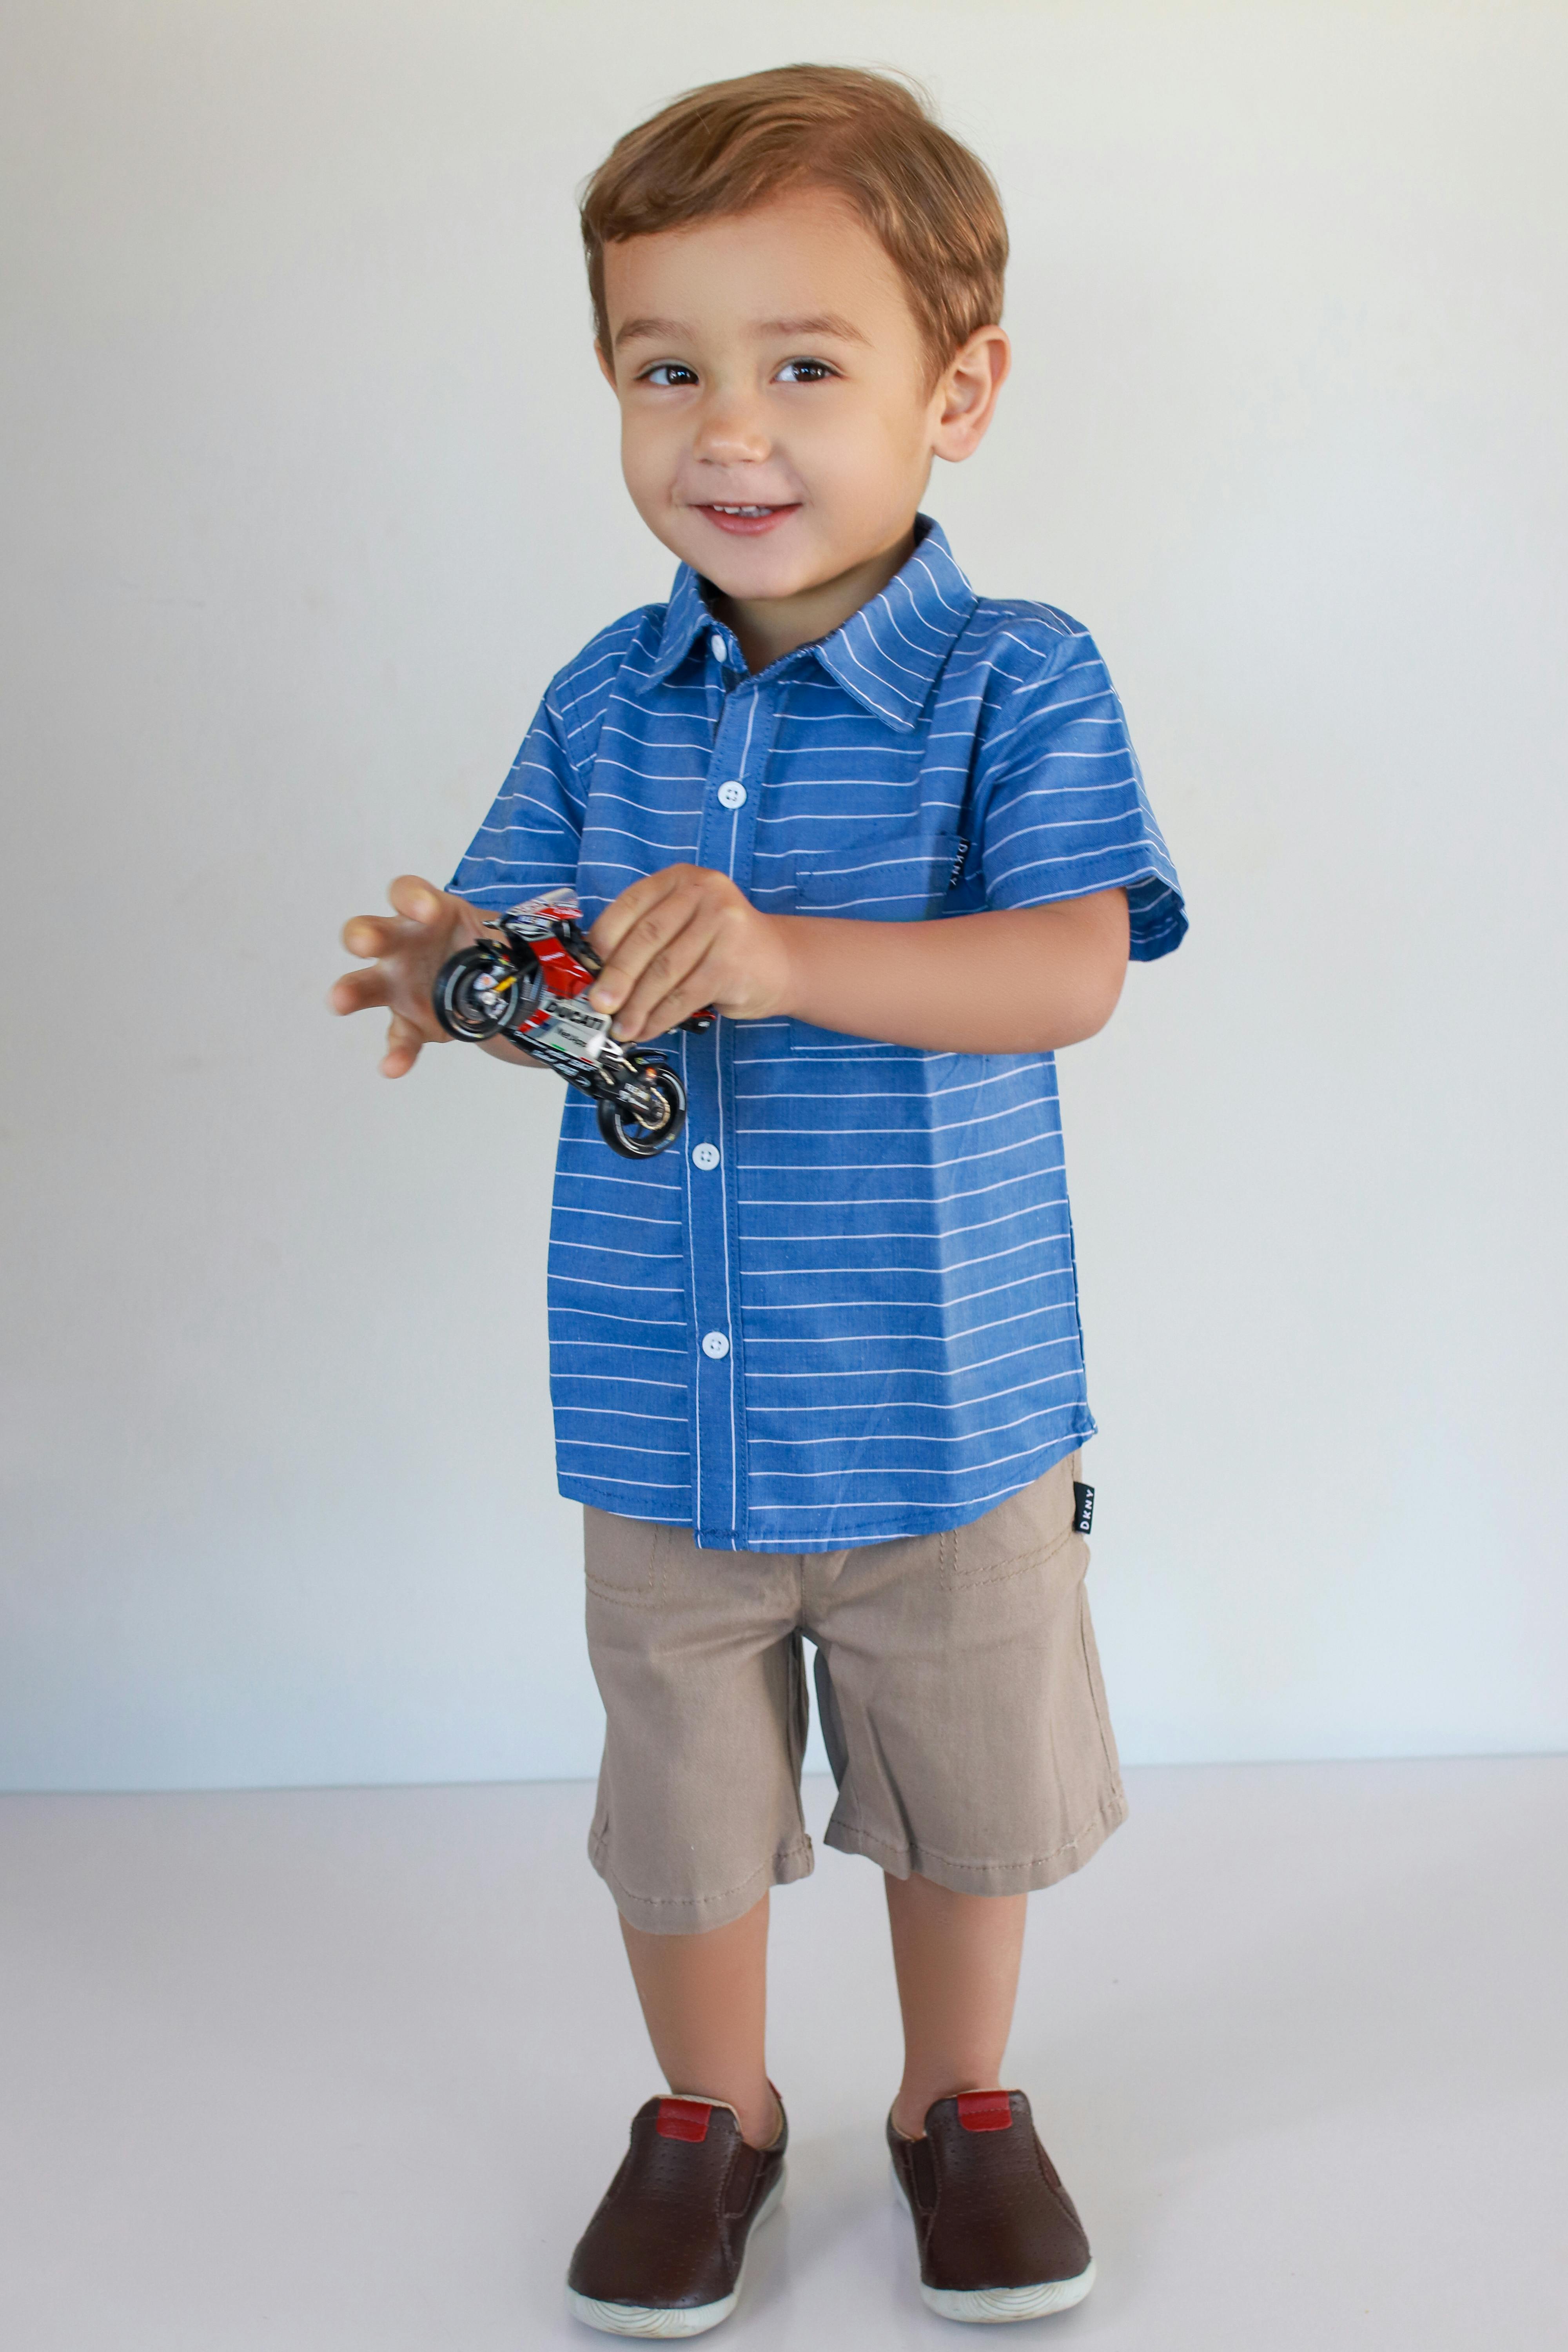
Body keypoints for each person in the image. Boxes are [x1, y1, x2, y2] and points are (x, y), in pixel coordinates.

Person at [330, 64, 1185, 2337]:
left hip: (947, 1402)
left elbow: (1076, 967)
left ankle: (956, 2107)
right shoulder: (603, 698)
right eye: (666, 369)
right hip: (665, 1414)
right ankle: (709, 2115)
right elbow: (549, 982)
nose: (732, 429)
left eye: (807, 365)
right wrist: (469, 978)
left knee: (961, 1799)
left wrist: (791, 956)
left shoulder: (1022, 678)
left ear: (960, 391)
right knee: (687, 1812)